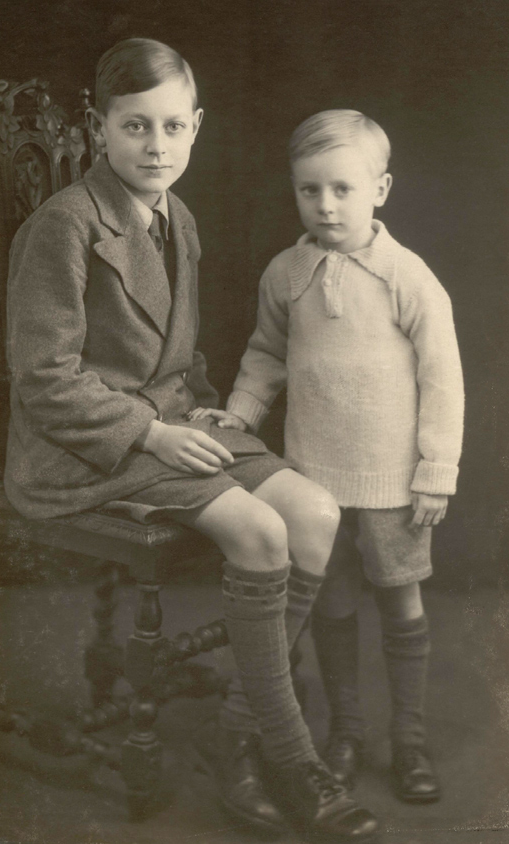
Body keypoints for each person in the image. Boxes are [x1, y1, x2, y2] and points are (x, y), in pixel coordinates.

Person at [4, 44, 378, 841]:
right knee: (258, 527)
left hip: (171, 420)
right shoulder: (64, 225)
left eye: (174, 125)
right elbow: (43, 378)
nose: (156, 144)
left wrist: (206, 415)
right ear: (98, 125)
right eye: (135, 125)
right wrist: (153, 433)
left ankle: (237, 731)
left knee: (312, 511)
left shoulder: (181, 219)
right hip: (82, 445)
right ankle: (286, 754)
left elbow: (180, 359)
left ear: (197, 126)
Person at [194, 109, 464, 804]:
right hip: (313, 482)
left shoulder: (407, 276)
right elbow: (266, 353)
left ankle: (409, 740)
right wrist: (242, 413)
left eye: (343, 188)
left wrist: (435, 471)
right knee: (333, 606)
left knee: (401, 603)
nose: (326, 205)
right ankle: (346, 731)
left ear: (381, 187)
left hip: (393, 486)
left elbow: (443, 377)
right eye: (309, 190)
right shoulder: (287, 273)